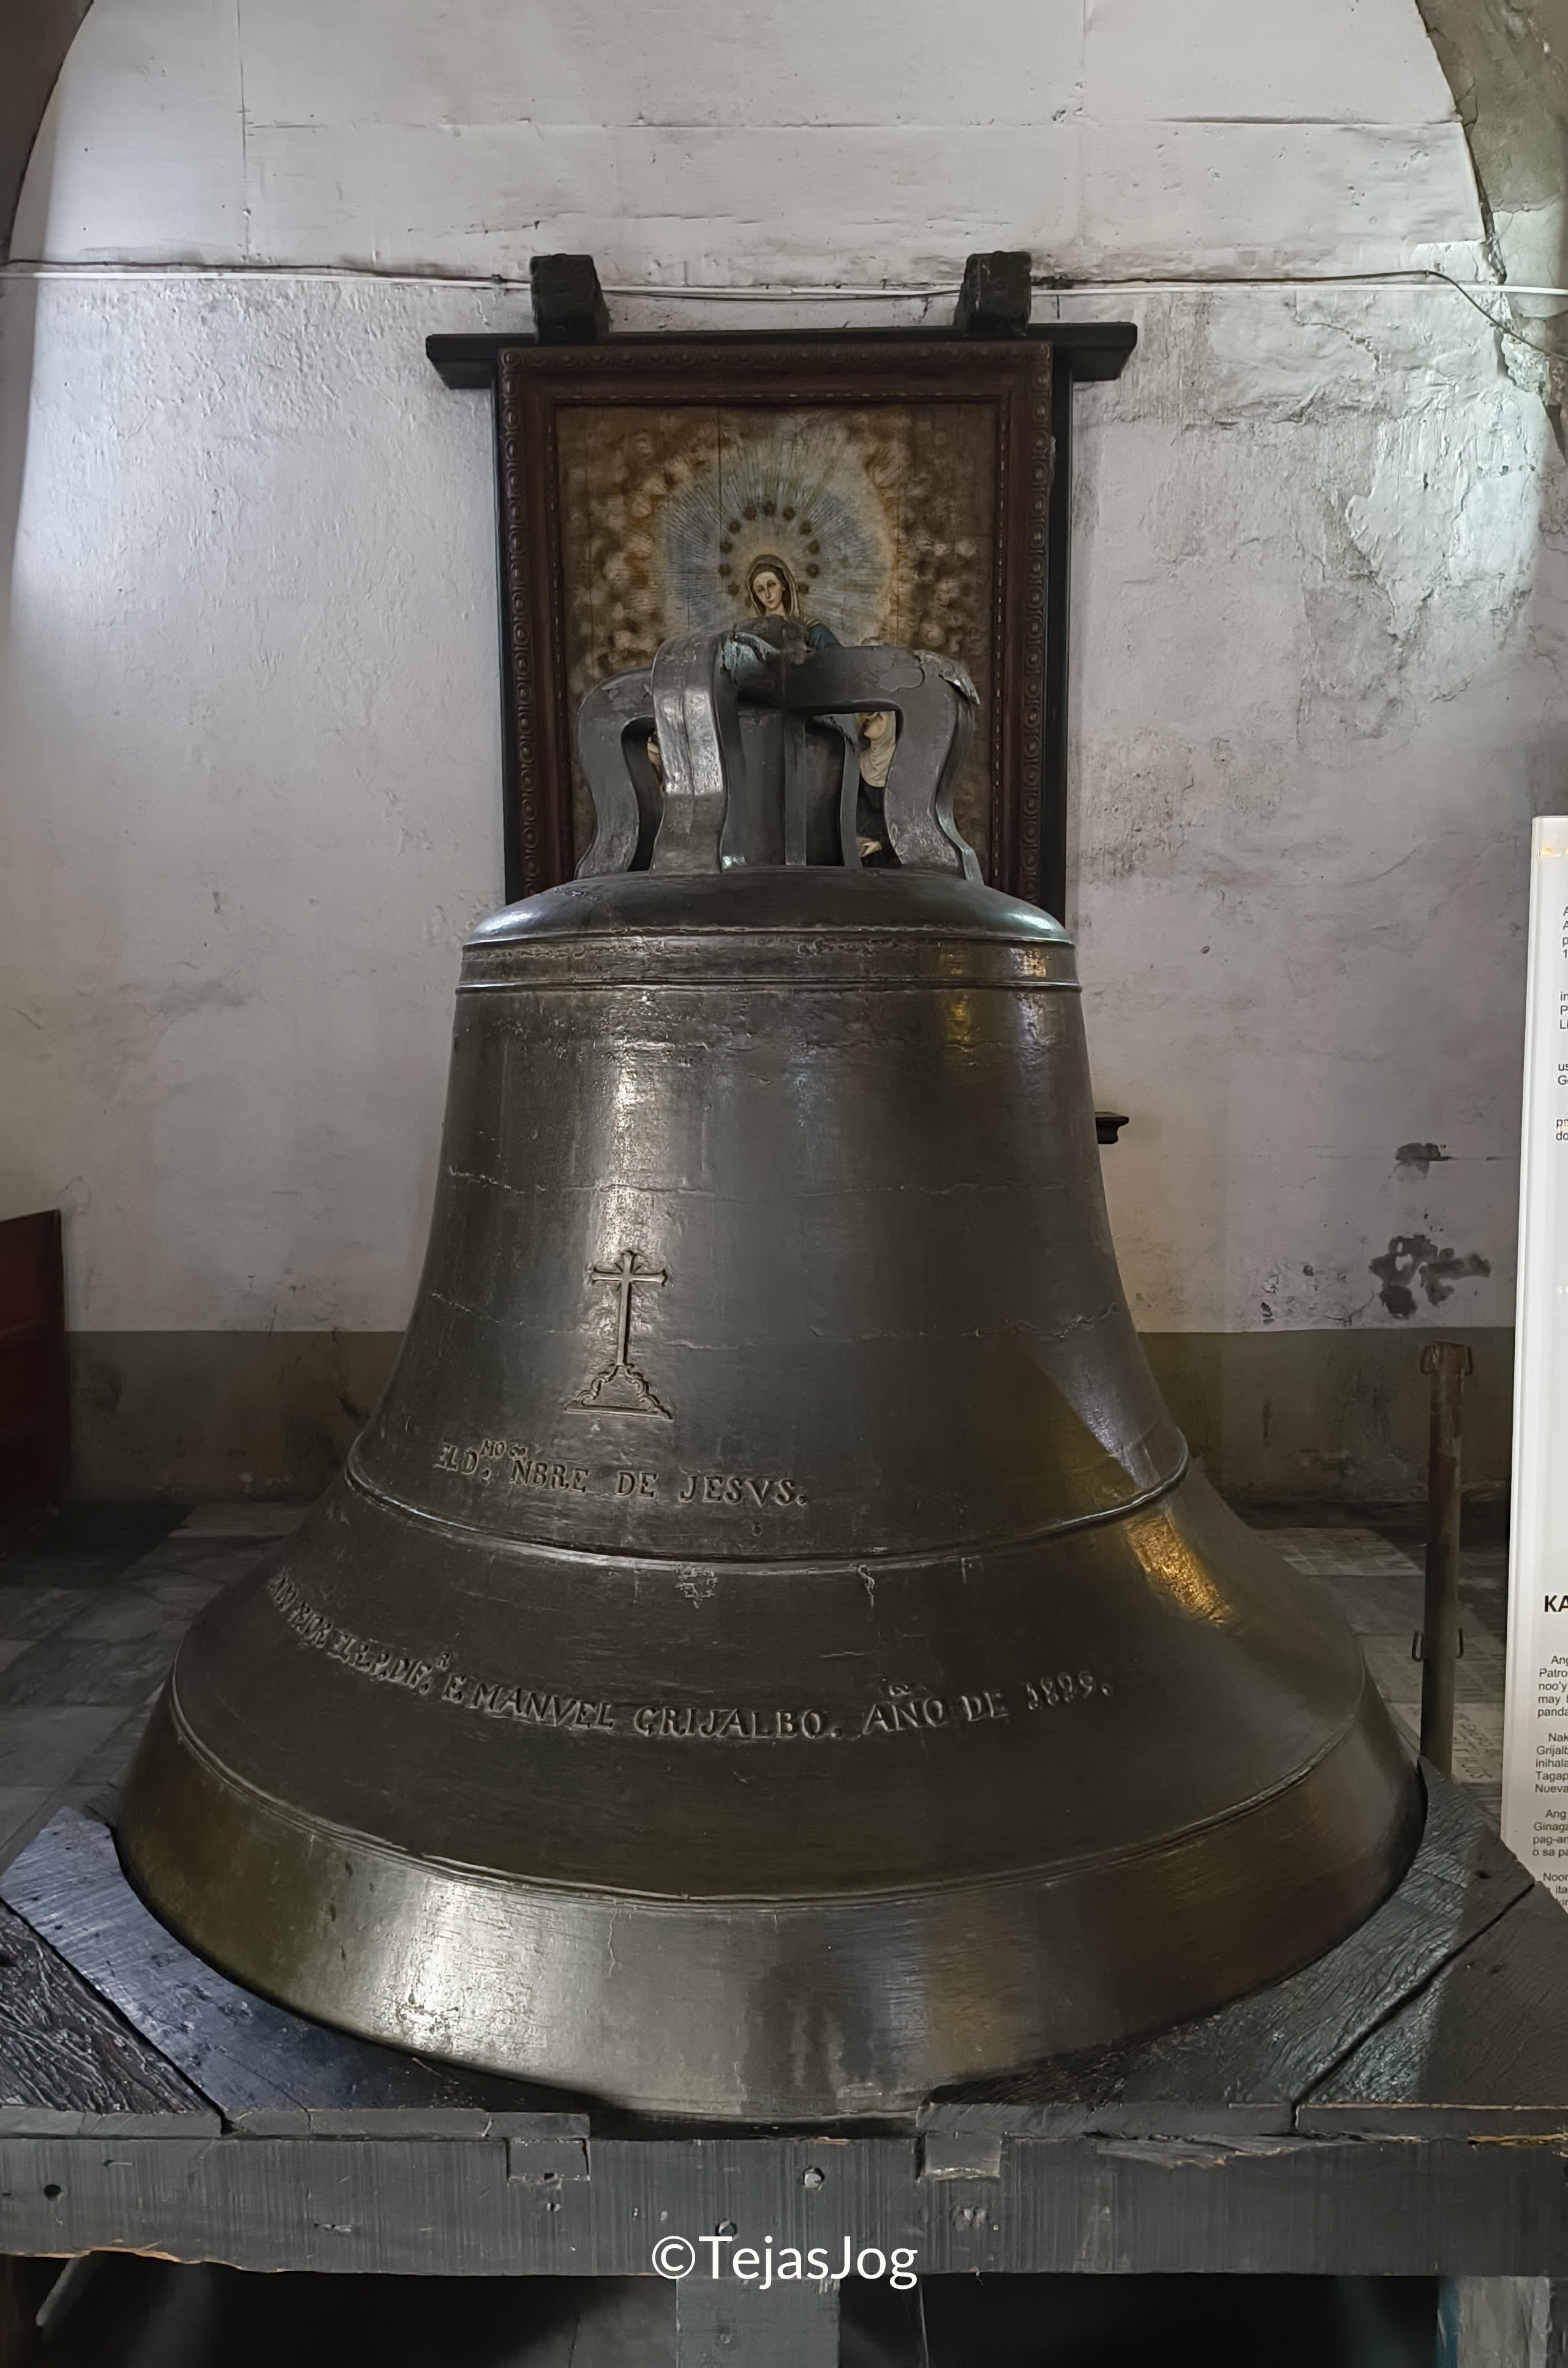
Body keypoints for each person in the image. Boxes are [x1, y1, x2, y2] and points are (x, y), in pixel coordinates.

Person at [744, 554, 839, 650]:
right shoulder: (754, 637)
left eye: (771, 585)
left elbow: (839, 660)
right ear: (755, 596)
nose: (767, 594)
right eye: (760, 590)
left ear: (784, 585)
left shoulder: (815, 632)